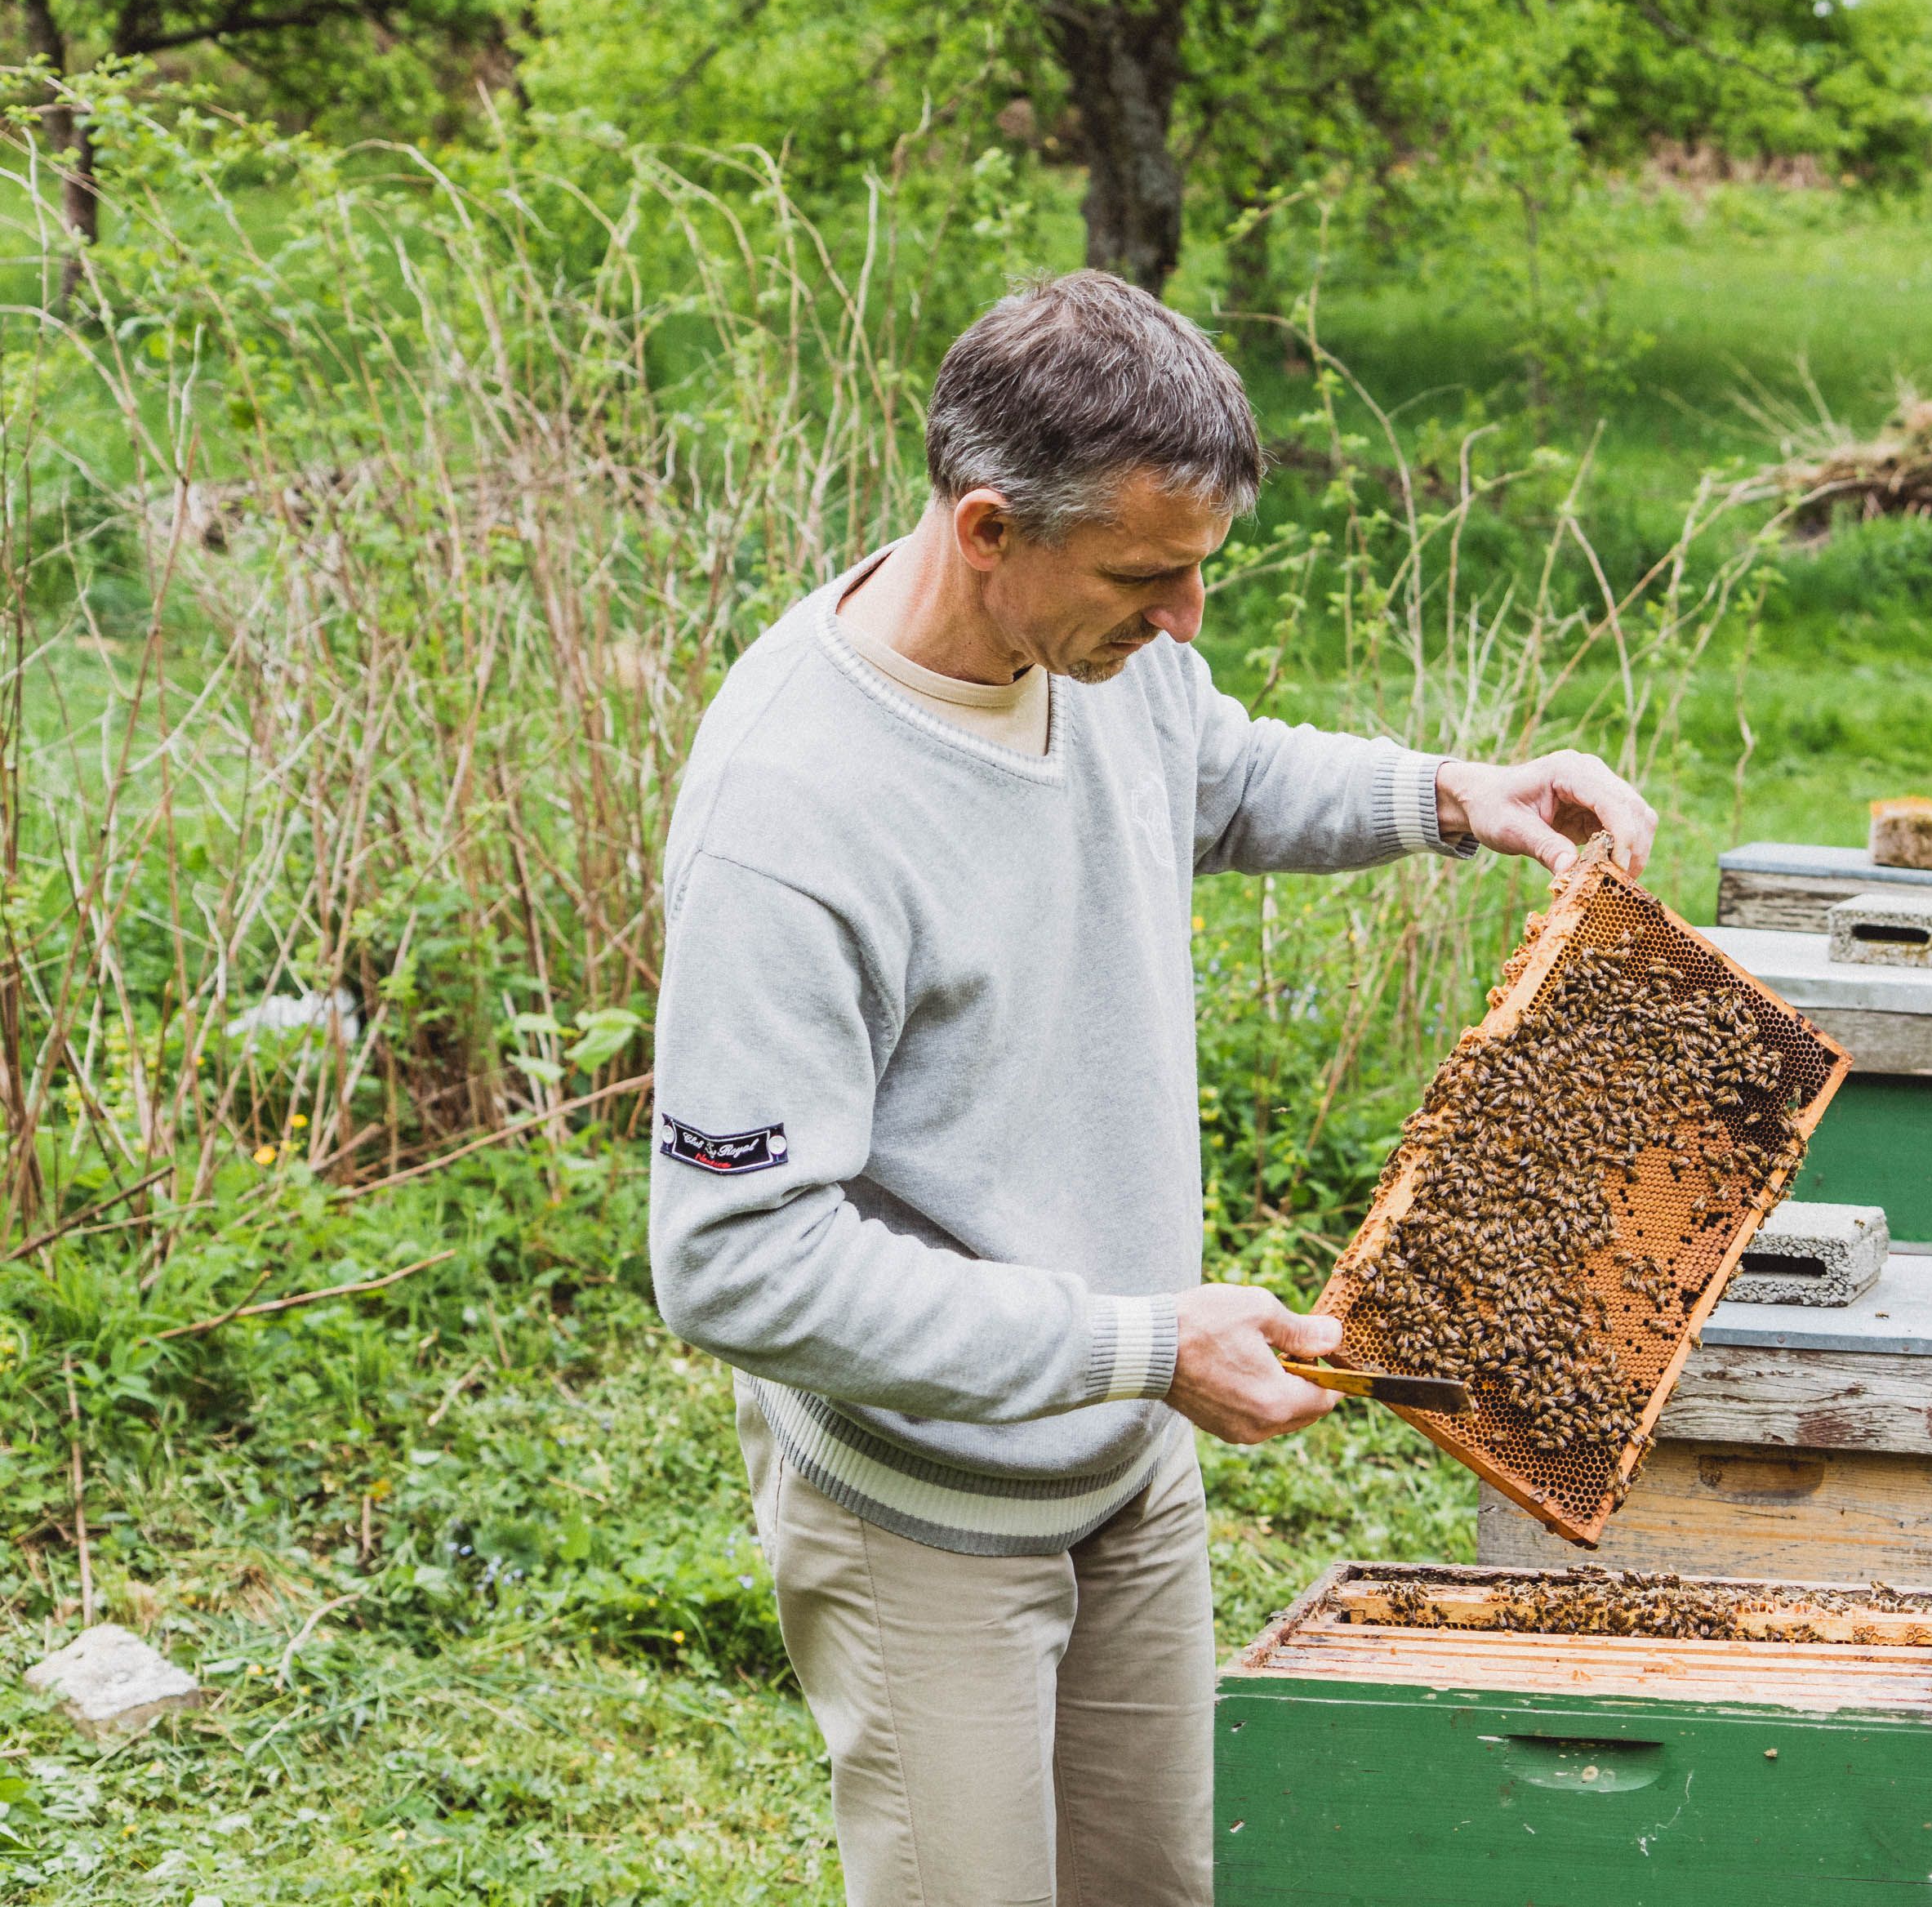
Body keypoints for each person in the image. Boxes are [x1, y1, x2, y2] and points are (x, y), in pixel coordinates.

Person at [648, 269, 1657, 1907]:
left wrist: (1449, 794)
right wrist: (1143, 1342)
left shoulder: (1100, 655)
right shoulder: (793, 815)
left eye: (1200, 569)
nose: (1183, 616)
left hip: (1125, 1463)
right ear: (989, 530)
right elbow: (734, 1260)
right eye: (1146, 576)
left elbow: (1216, 765)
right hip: (923, 1504)